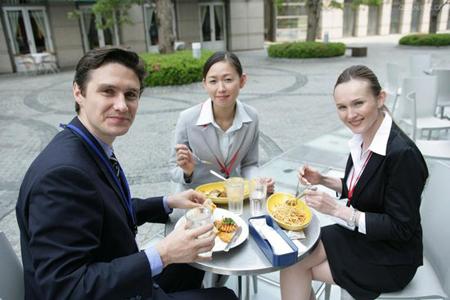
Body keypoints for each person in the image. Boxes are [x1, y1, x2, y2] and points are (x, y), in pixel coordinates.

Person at [16, 47, 237, 300]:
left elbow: (104, 210)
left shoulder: (85, 144)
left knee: (191, 263)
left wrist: (167, 202)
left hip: (118, 275)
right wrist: (163, 253)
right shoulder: (63, 175)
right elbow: (63, 289)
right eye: (108, 91)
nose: (121, 105)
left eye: (130, 94)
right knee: (225, 296)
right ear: (78, 92)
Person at [280, 65, 428, 300]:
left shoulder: (403, 154)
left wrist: (338, 210)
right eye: (342, 107)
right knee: (293, 257)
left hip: (392, 257)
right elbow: (366, 187)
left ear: (380, 99)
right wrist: (323, 180)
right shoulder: (363, 137)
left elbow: (402, 228)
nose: (350, 115)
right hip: (364, 237)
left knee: (296, 267)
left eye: (358, 103)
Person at [169, 51, 274, 193]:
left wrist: (257, 182)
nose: (221, 89)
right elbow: (173, 169)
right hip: (196, 199)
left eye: (228, 80)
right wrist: (188, 172)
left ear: (242, 81)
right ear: (204, 84)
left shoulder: (251, 117)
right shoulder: (187, 119)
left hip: (233, 196)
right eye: (213, 81)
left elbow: (250, 164)